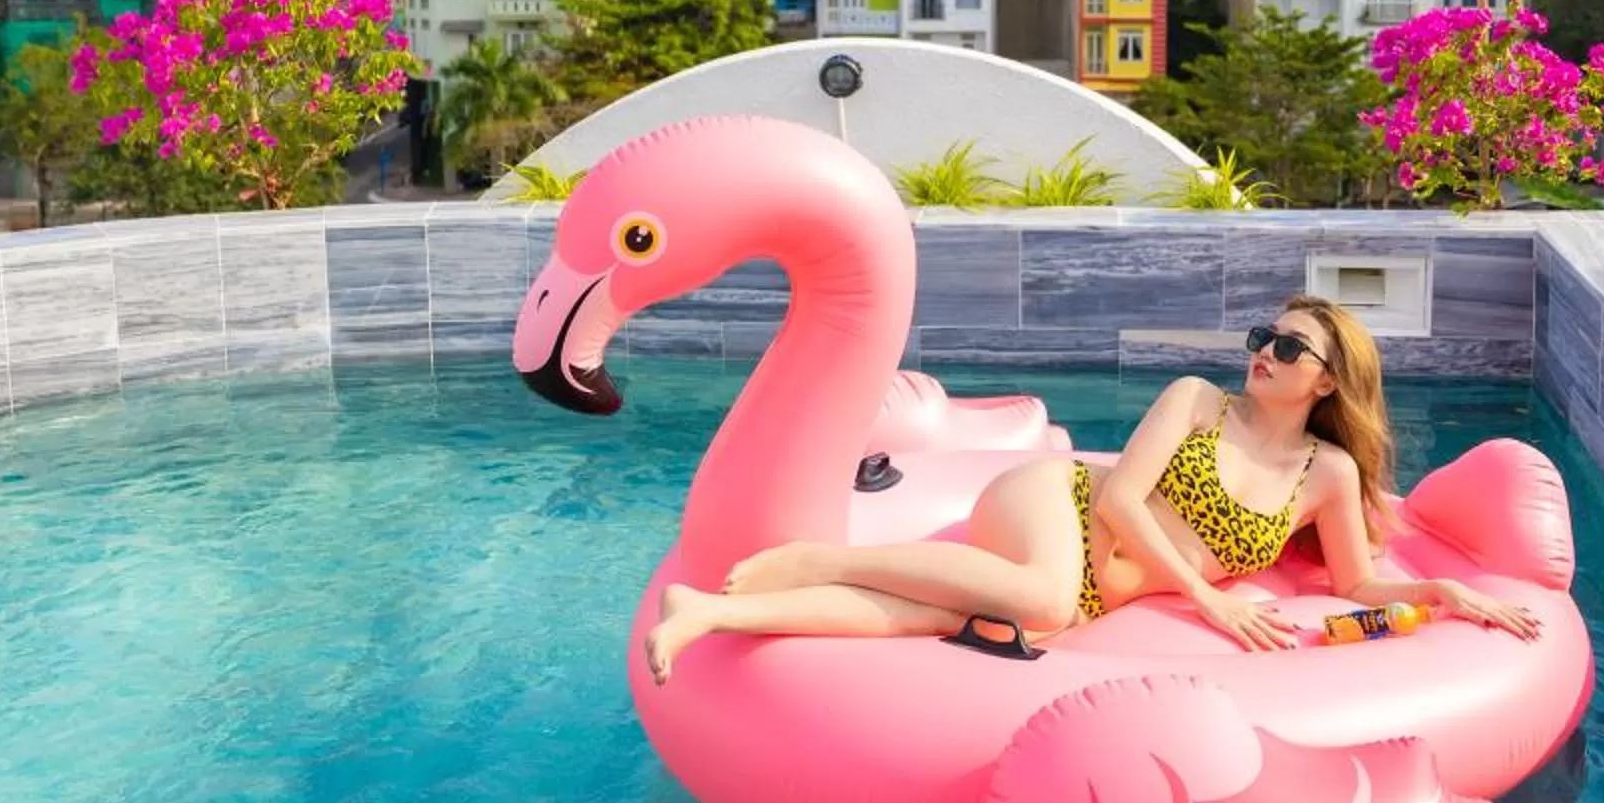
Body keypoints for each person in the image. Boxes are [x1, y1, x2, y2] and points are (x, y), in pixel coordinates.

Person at [644, 294, 1542, 682]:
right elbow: (1114, 501)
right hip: (1058, 504)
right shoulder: (1198, 401)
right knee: (1037, 598)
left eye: (1292, 348)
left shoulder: (1328, 473)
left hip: (1089, 594)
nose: (1267, 351)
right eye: (1268, 335)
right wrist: (1209, 602)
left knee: (948, 619)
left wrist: (1439, 590)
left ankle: (709, 613)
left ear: (1329, 383)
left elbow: (1355, 586)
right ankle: (820, 557)